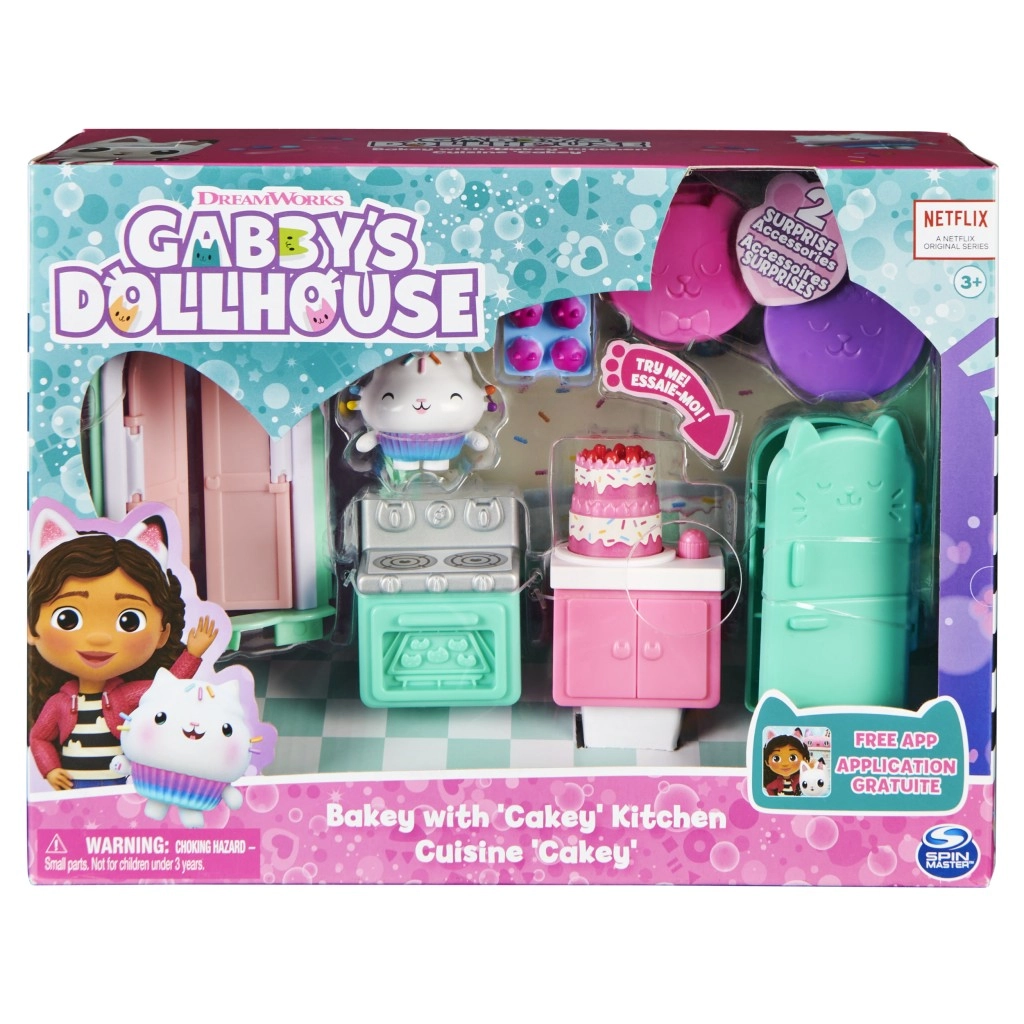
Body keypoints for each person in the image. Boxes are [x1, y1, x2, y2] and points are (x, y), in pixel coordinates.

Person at [28, 506, 218, 790]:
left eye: (129, 620)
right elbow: (39, 737)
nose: (99, 638)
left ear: (162, 633)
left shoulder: (126, 697)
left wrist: (192, 654)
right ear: (29, 627)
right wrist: (50, 769)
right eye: (68, 618)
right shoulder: (58, 704)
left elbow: (166, 687)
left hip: (123, 789)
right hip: (74, 793)